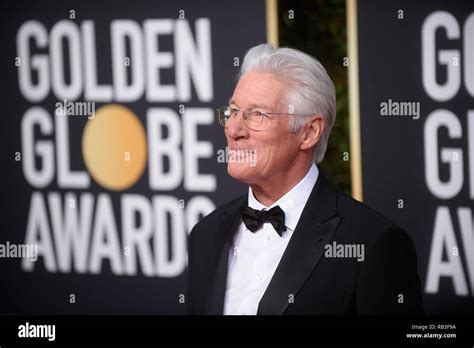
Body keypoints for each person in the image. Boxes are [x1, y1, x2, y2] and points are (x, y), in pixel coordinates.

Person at [186, 43, 424, 315]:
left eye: (257, 115)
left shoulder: (373, 244)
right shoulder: (205, 235)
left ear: (309, 132)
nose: (233, 128)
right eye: (233, 111)